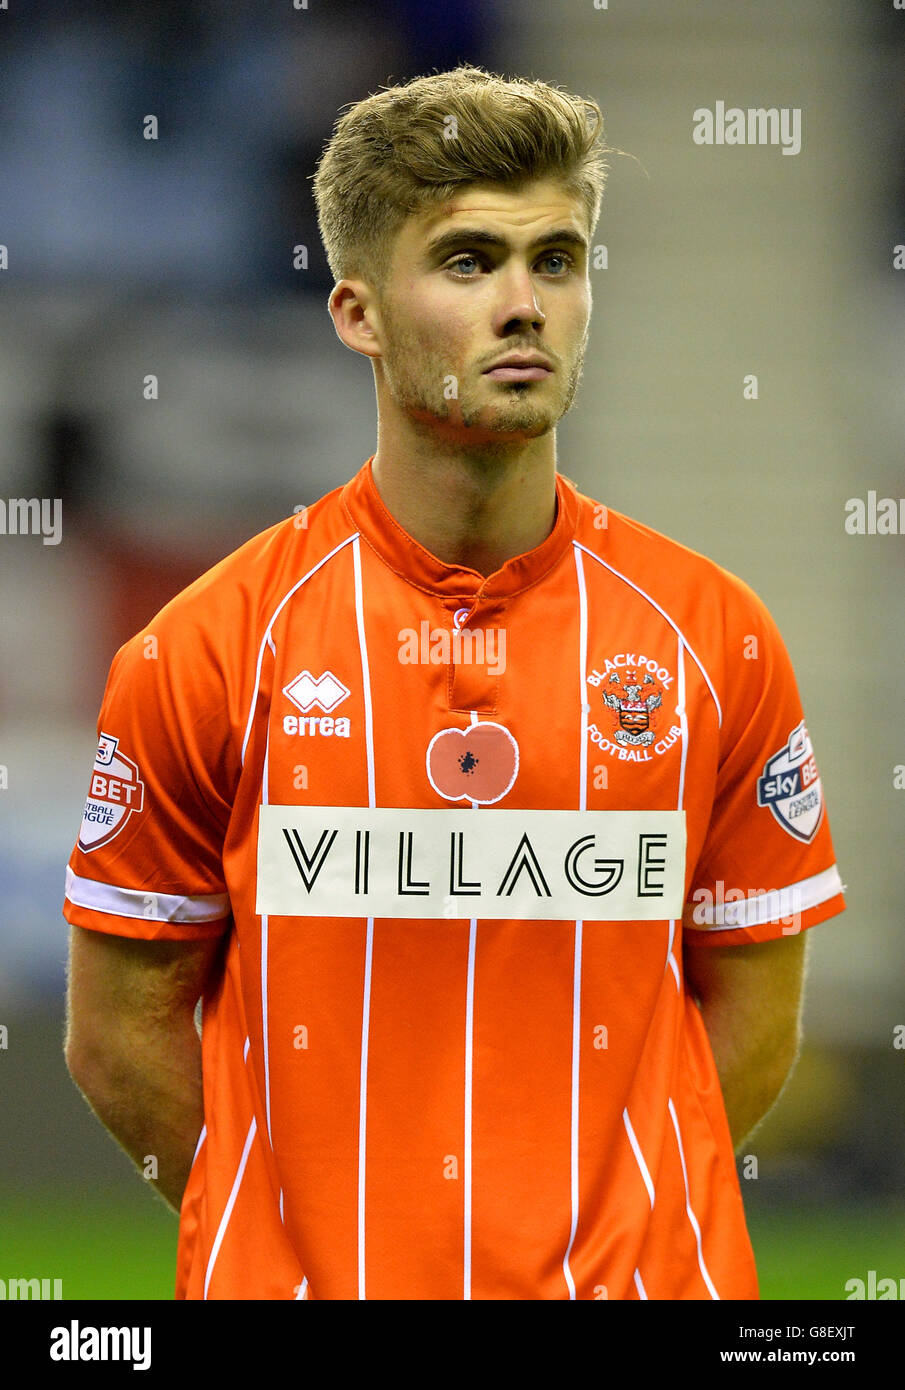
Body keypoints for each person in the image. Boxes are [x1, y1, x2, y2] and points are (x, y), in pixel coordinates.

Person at [63, 64, 845, 1301]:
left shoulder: (712, 635)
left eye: (558, 259)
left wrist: (612, 1218)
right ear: (358, 312)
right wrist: (307, 1228)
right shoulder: (210, 645)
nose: (525, 305)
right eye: (470, 261)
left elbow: (751, 1014)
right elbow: (118, 1039)